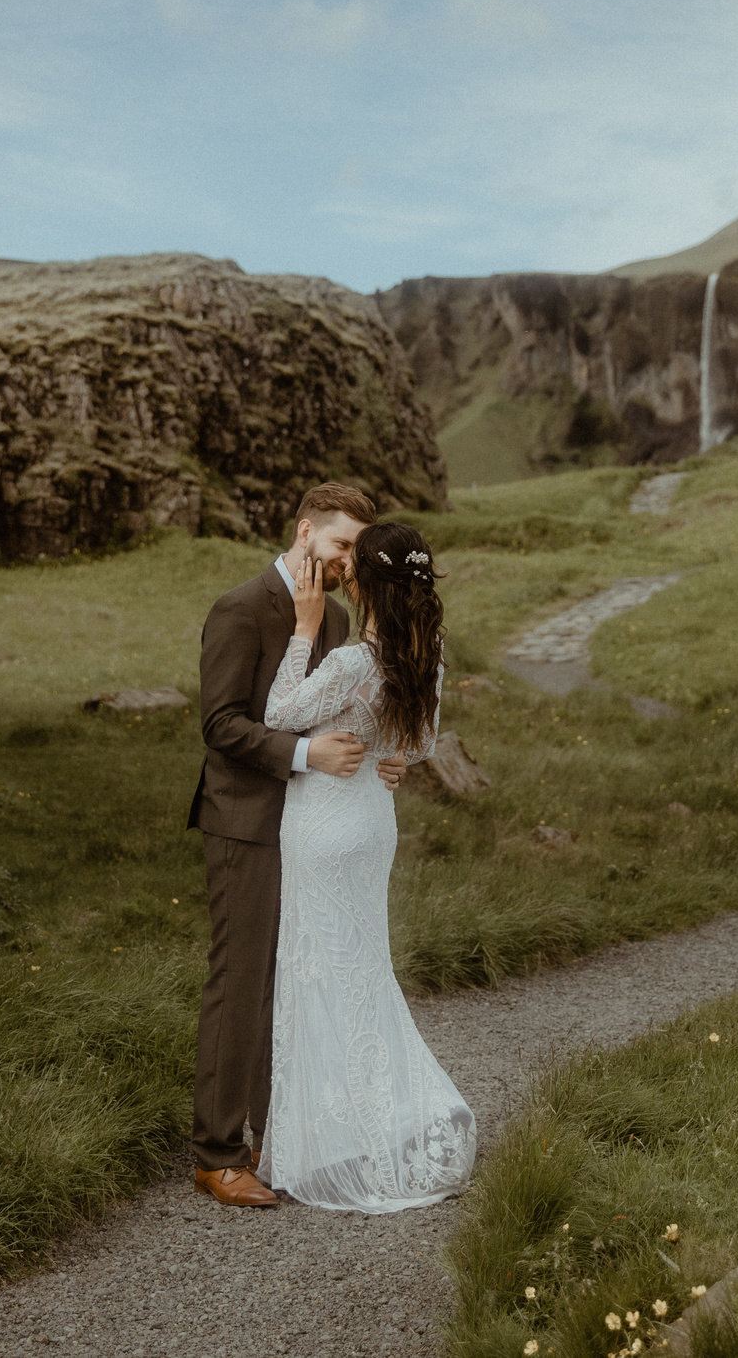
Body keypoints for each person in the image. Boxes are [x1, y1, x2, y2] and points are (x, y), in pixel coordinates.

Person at [189, 483, 406, 1207]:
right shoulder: (240, 607)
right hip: (246, 821)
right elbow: (220, 725)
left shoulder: (337, 617)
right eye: (341, 544)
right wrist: (310, 757)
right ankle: (218, 1153)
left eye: (356, 548)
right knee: (242, 981)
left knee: (294, 982)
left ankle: (280, 1137)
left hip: (312, 827)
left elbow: (333, 706)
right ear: (305, 530)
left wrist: (379, 755)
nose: (349, 559)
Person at [257, 519, 475, 1211]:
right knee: (361, 973)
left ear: (371, 586)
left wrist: (304, 626)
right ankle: (354, 1122)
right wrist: (390, 754)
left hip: (323, 825)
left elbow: (278, 712)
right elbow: (423, 740)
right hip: (373, 825)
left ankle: (322, 1141)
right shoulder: (425, 654)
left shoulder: (354, 663)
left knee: (319, 973)